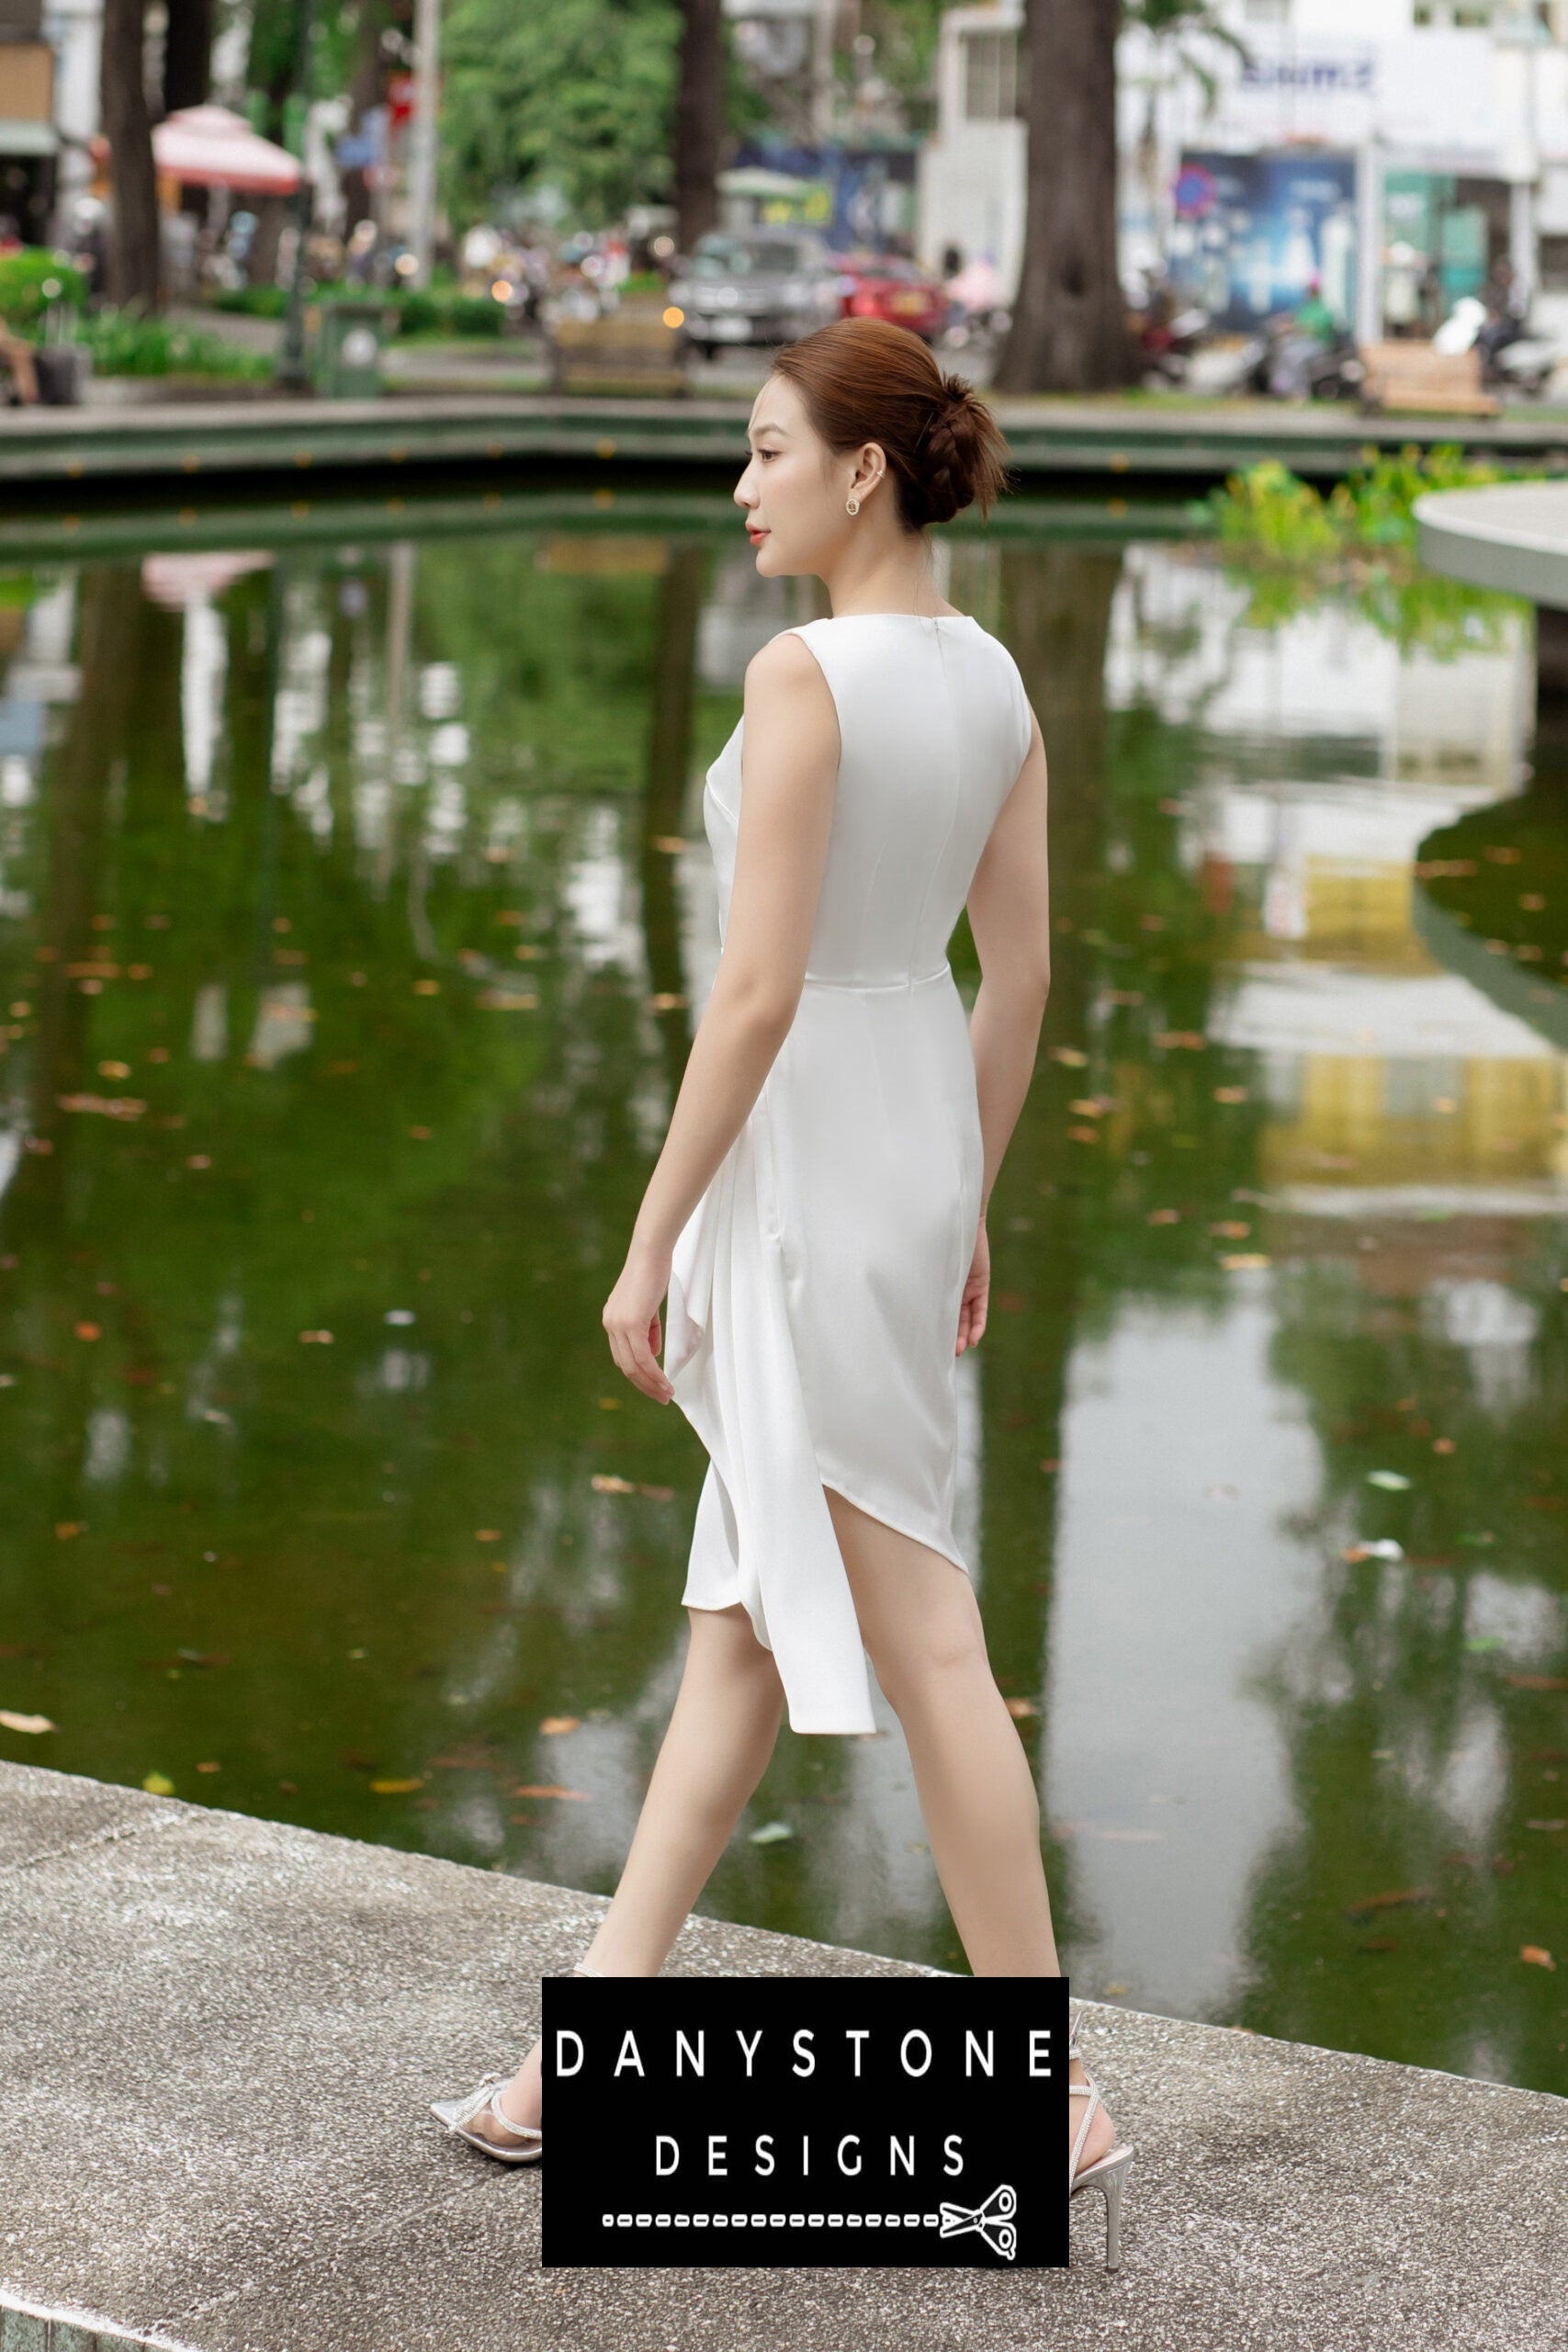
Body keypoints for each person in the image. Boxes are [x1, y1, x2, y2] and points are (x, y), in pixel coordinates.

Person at [428, 315, 1134, 2266]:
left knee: (912, 1616)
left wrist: (651, 1238)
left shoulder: (803, 672)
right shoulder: (993, 679)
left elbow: (748, 996)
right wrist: (965, 1196)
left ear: (862, 470)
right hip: (901, 1142)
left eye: (761, 450)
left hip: (810, 1150)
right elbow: (1021, 979)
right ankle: (592, 2043)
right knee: (748, 1603)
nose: (737, 486)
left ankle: (1047, 2091)